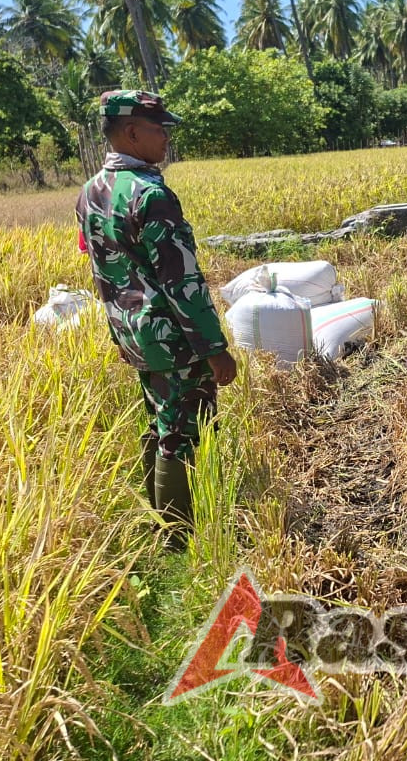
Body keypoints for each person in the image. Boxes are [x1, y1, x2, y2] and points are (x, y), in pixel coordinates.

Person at [76, 90, 237, 551]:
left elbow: (102, 265)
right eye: (158, 128)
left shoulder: (90, 193)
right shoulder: (151, 194)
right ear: (130, 132)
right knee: (183, 431)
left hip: (130, 332)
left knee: (161, 419)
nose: (166, 136)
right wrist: (214, 348)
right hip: (171, 337)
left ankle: (161, 521)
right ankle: (178, 538)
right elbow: (181, 280)